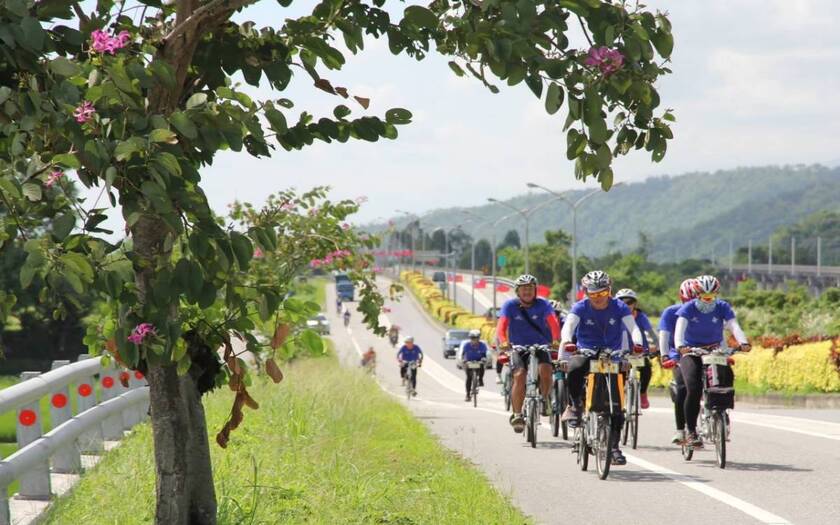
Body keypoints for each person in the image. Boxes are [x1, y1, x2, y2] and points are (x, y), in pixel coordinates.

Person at [560, 271, 643, 466]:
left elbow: (634, 328)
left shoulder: (620, 307)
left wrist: (637, 344)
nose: (598, 299)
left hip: (613, 355)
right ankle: (575, 405)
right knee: (575, 367)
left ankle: (613, 448)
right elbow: (569, 326)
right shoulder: (580, 307)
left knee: (616, 406)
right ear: (586, 293)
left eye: (602, 294)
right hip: (587, 351)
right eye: (593, 294)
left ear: (609, 291)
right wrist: (566, 341)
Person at [674, 275, 751, 447]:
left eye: (712, 296)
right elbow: (680, 328)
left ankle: (723, 413)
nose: (708, 300)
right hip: (692, 350)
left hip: (715, 349)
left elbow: (733, 325)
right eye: (704, 296)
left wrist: (743, 342)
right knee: (693, 388)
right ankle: (692, 431)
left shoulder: (722, 306)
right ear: (697, 294)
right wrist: (680, 346)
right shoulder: (688, 308)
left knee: (726, 378)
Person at [495, 274, 561, 433]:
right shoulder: (510, 306)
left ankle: (544, 399)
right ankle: (517, 414)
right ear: (518, 291)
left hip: (541, 346)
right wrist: (504, 341)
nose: (527, 291)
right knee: (519, 375)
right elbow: (501, 326)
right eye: (524, 288)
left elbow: (553, 323)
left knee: (546, 371)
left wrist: (556, 340)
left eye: (530, 288)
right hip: (518, 347)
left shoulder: (543, 304)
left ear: (535, 290)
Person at [658, 278, 697, 444]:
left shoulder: (709, 312)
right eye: (689, 301)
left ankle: (719, 413)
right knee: (682, 387)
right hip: (679, 355)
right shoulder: (670, 312)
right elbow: (664, 335)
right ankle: (681, 430)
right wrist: (665, 355)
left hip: (702, 353)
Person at [614, 289, 657, 409]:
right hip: (620, 351)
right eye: (621, 301)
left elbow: (651, 333)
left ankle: (642, 393)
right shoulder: (613, 316)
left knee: (646, 369)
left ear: (635, 304)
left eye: (629, 302)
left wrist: (656, 346)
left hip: (638, 351)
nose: (626, 304)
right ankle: (619, 400)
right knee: (619, 374)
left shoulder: (641, 316)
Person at [458, 329, 489, 402]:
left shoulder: (482, 345)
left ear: (478, 338)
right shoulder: (466, 345)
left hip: (478, 362)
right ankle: (468, 394)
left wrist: (483, 359)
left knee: (482, 367)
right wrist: (464, 360)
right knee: (469, 378)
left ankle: (480, 379)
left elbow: (484, 355)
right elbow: (463, 354)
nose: (474, 340)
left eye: (476, 338)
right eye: (472, 338)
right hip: (469, 362)